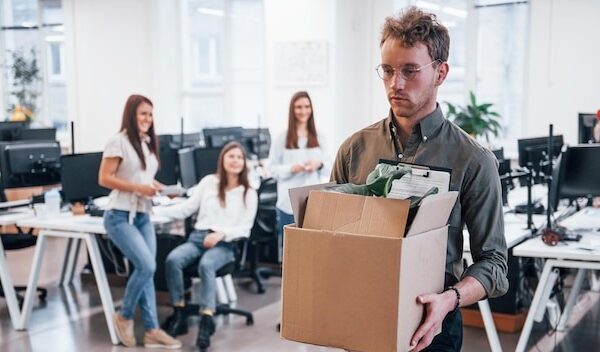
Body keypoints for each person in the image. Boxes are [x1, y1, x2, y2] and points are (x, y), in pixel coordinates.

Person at [330, 7, 508, 352]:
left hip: (434, 326)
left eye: (410, 71)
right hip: (361, 316)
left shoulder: (473, 160)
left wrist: (451, 299)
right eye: (387, 70)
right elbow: (330, 236)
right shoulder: (354, 150)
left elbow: (495, 265)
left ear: (440, 73)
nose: (395, 84)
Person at [155, 141, 258, 350]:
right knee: (173, 260)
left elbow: (245, 229)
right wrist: (153, 212)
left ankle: (206, 320)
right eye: (231, 156)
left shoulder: (249, 192)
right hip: (198, 238)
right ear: (223, 159)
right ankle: (179, 311)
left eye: (239, 157)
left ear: (244, 163)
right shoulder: (208, 182)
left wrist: (222, 234)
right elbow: (186, 208)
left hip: (225, 245)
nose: (235, 161)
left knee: (206, 265)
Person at [99, 94, 181, 349]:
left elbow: (142, 176)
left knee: (147, 270)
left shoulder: (146, 143)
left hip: (143, 214)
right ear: (131, 114)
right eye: (143, 113)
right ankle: (123, 316)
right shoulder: (119, 141)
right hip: (119, 216)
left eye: (150, 114)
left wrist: (154, 186)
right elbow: (104, 178)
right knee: (145, 266)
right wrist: (137, 187)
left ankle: (152, 330)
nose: (147, 119)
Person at [270, 91, 330, 246]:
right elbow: (272, 169)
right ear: (292, 110)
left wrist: (319, 164)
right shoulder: (281, 138)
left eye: (306, 106)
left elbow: (329, 167)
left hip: (311, 201)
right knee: (289, 248)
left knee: (310, 247)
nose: (303, 111)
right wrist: (292, 168)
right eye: (298, 107)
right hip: (287, 202)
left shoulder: (319, 137)